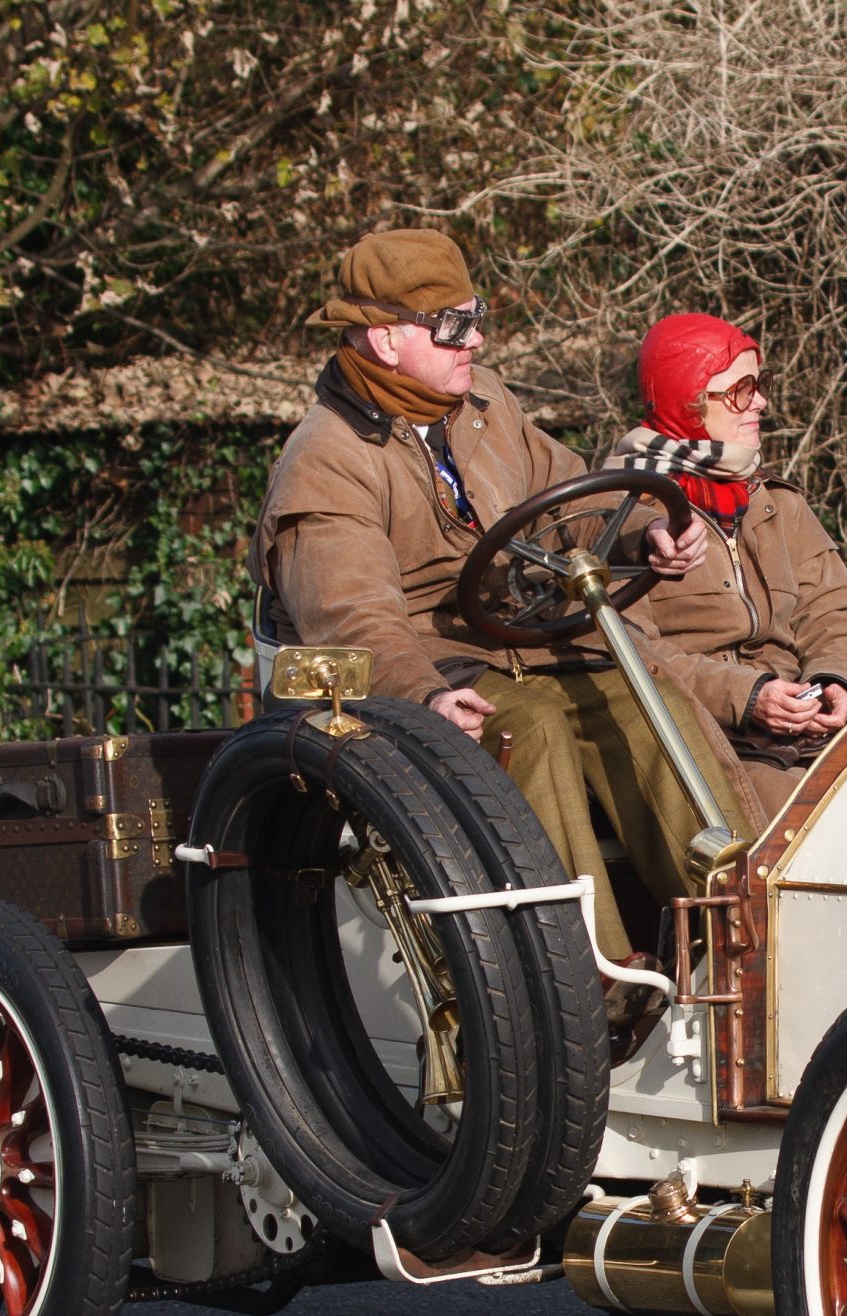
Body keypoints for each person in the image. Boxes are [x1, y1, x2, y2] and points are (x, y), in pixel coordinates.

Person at [247, 230, 756, 963]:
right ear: (387, 338)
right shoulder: (324, 463)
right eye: (454, 327)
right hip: (435, 670)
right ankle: (594, 981)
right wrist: (423, 697)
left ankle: (742, 933)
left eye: (476, 315)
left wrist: (642, 532)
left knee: (650, 700)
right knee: (534, 731)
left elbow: (573, 498)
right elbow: (352, 619)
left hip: (530, 638)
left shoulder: (484, 403)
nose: (476, 339)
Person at [606, 313, 847, 818]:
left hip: (810, 733)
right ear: (689, 399)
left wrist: (838, 681)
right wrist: (749, 697)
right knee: (819, 823)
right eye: (741, 390)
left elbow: (837, 613)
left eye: (761, 384)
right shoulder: (623, 514)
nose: (761, 402)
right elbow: (632, 653)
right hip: (711, 741)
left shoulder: (779, 504)